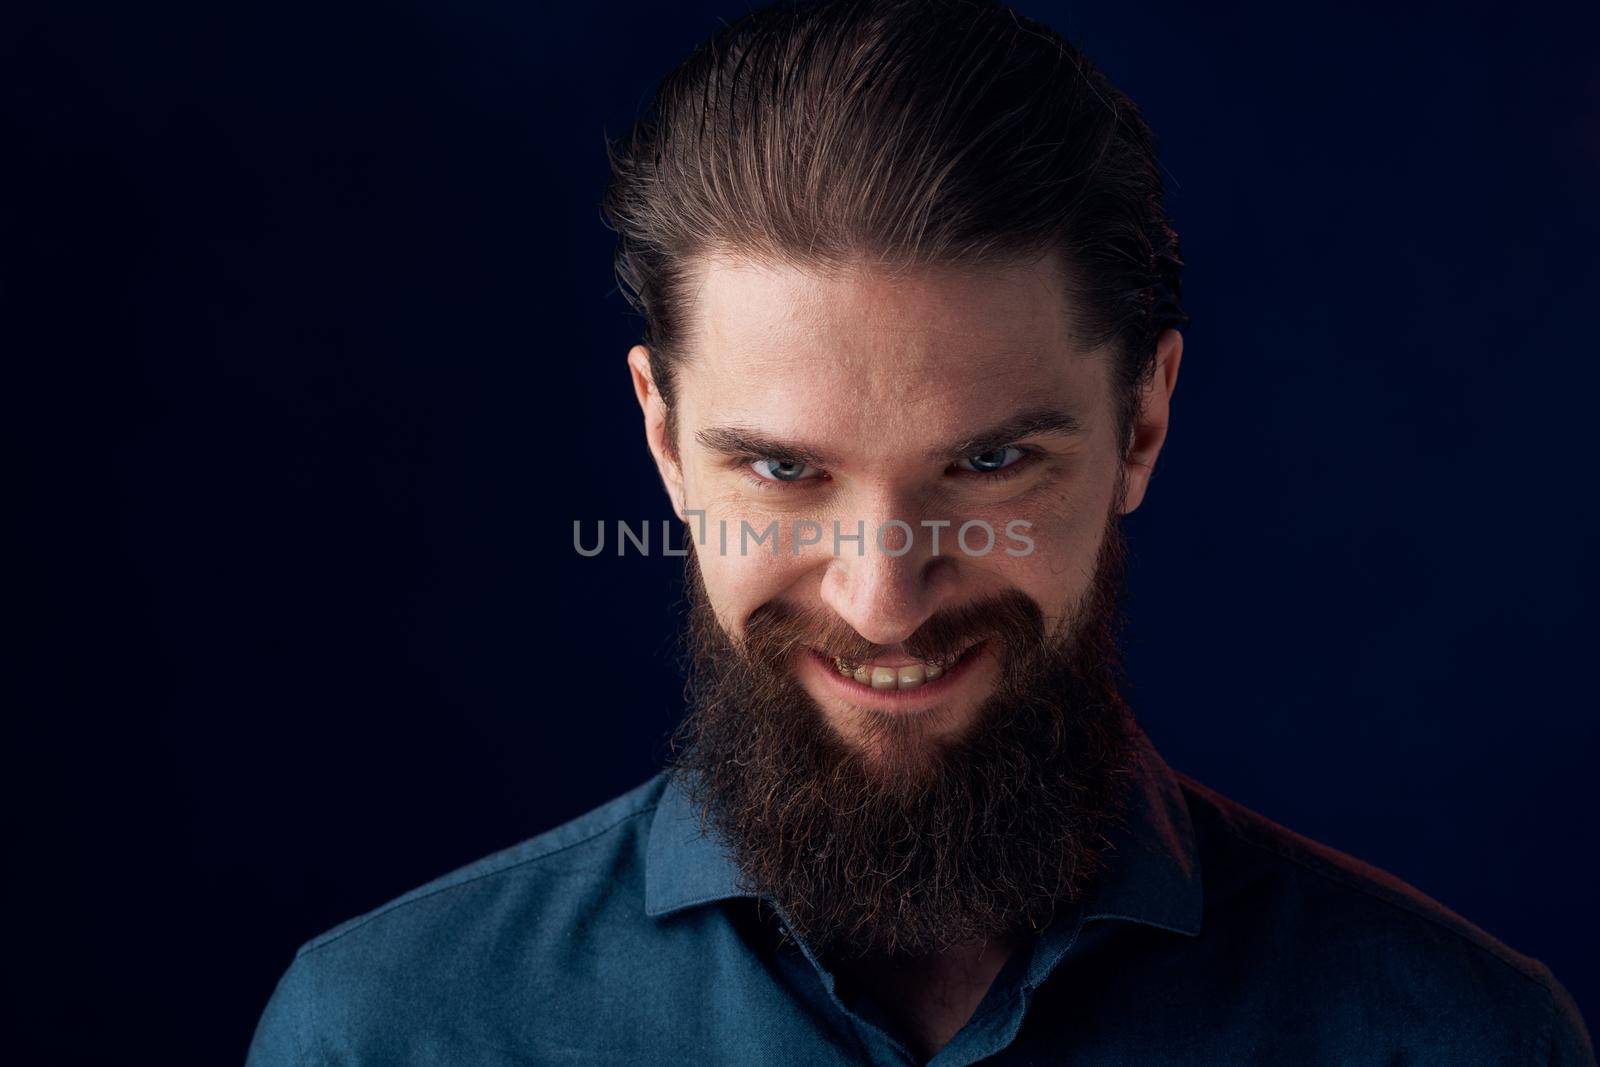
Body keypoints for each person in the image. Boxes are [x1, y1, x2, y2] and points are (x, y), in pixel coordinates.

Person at [247, 1, 1593, 1062]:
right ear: (662, 439)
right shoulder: (389, 1037)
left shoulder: (1449, 1042)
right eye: (781, 469)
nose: (885, 600)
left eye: (992, 461)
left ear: (1143, 424)